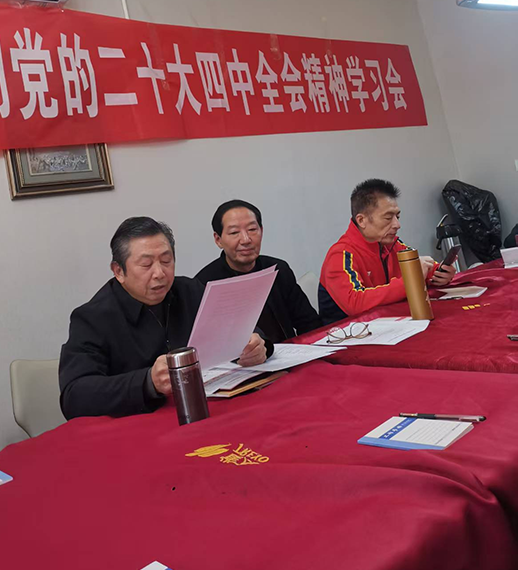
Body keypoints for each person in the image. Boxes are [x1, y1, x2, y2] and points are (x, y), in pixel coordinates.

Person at [59, 217, 268, 419]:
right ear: (119, 271)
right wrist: (148, 382)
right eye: (146, 264)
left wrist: (256, 345)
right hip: (139, 426)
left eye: (166, 261)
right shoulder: (92, 318)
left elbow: (241, 327)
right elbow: (74, 396)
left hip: (206, 411)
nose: (159, 273)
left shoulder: (189, 291)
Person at [318, 179, 455, 322]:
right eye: (388, 218)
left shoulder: (392, 244)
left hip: (389, 322)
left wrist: (439, 274)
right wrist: (412, 279)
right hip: (351, 330)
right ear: (361, 220)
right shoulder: (340, 255)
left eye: (397, 217)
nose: (397, 224)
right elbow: (355, 303)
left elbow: (421, 270)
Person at [196, 199, 322, 342]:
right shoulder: (204, 285)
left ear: (261, 231)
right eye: (234, 232)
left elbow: (309, 324)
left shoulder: (278, 269)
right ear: (218, 239)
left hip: (289, 352)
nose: (245, 239)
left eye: (252, 230)